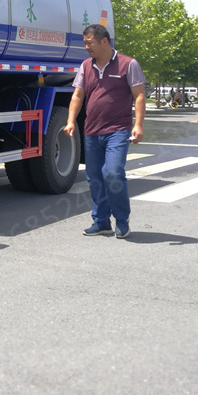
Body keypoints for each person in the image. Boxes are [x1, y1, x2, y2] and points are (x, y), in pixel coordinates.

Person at [65, 24, 146, 239]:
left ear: (104, 41)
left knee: (113, 173)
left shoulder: (128, 64)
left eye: (90, 42)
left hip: (118, 130)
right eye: (85, 43)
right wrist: (71, 121)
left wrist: (138, 125)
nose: (86, 47)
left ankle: (122, 220)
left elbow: (139, 95)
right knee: (94, 178)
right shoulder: (85, 66)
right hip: (91, 131)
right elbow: (77, 96)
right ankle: (101, 222)